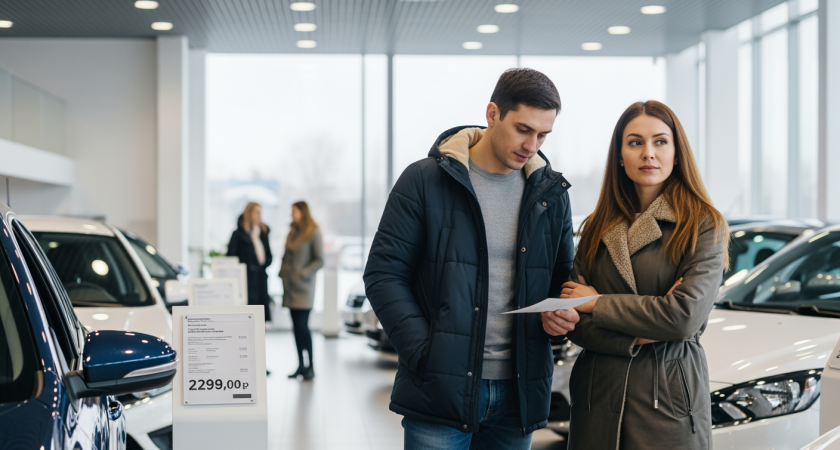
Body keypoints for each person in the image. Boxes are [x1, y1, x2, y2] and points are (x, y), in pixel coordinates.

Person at [363, 68, 580, 450]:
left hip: (520, 393)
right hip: (441, 389)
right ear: (493, 114)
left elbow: (562, 282)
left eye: (543, 135)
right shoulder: (424, 180)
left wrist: (562, 317)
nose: (532, 144)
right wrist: (424, 353)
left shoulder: (551, 194)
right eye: (523, 129)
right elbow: (384, 275)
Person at [544, 100, 729, 449]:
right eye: (635, 142)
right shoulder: (596, 226)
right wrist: (639, 334)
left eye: (660, 141)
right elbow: (576, 322)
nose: (648, 153)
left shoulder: (703, 223)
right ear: (619, 155)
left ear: (677, 153)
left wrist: (596, 302)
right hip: (597, 395)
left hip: (666, 397)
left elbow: (682, 317)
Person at [279, 201, 323, 380]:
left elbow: (319, 260)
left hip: (304, 288)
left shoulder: (313, 233)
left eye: (294, 211)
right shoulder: (292, 232)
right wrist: (282, 273)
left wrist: (302, 274)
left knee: (303, 327)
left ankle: (310, 365)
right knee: (296, 328)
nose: (291, 215)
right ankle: (300, 365)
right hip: (290, 288)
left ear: (302, 213)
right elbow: (286, 256)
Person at [227, 201, 273, 321]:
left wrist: (262, 265)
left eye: (260, 213)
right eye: (257, 212)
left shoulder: (263, 233)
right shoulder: (238, 235)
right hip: (244, 282)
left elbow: (268, 256)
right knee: (246, 317)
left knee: (260, 318)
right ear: (249, 213)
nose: (259, 216)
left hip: (260, 280)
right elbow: (231, 259)